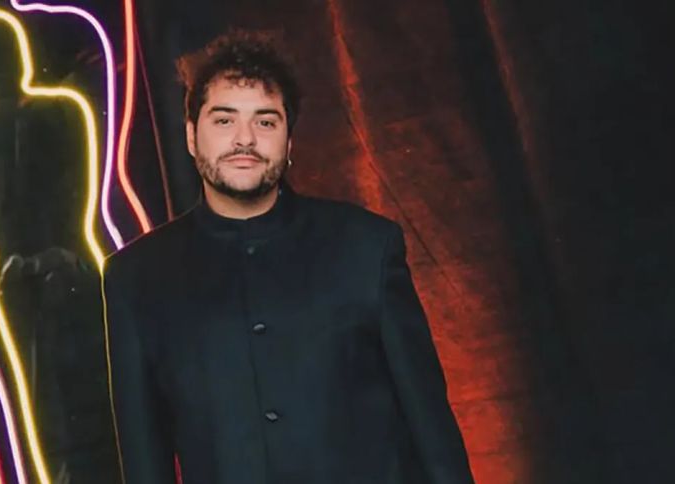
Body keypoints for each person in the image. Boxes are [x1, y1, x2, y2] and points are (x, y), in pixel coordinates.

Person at [102, 30, 475, 484]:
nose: (245, 139)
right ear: (191, 137)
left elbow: (433, 432)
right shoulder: (136, 277)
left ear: (289, 142)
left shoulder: (366, 247)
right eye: (224, 120)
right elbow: (144, 459)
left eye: (265, 122)